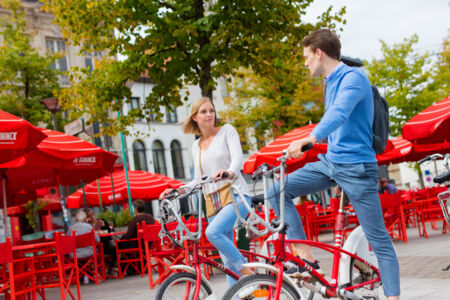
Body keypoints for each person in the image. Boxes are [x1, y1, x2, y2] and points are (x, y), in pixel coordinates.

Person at [267, 29, 400, 299]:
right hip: (331, 163)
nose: (304, 63)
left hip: (356, 168)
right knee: (277, 190)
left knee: (379, 241)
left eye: (306, 57)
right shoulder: (329, 82)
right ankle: (305, 256)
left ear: (319, 53)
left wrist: (311, 137)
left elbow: (339, 113)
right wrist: (303, 145)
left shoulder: (354, 78)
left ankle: (393, 296)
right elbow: (333, 125)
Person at [159, 97, 253, 286]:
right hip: (213, 201)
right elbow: (198, 180)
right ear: (194, 117)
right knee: (225, 260)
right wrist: (176, 191)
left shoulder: (227, 130)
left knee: (213, 232)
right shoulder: (196, 145)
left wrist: (229, 172)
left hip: (236, 195)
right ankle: (237, 295)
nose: (209, 114)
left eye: (211, 110)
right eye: (204, 112)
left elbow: (237, 159)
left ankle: (246, 271)